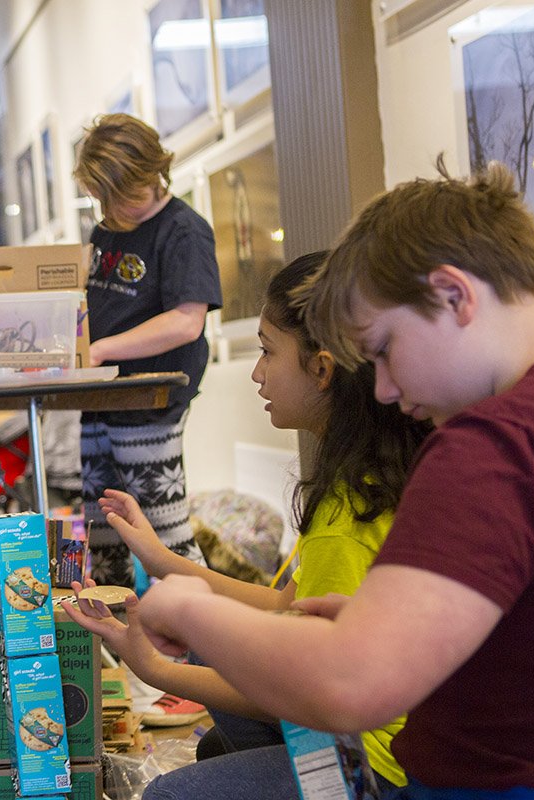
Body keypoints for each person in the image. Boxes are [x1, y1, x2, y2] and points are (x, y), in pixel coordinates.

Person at [133, 162, 534, 796]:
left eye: (385, 348)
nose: (386, 389)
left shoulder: (499, 444)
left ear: (453, 295)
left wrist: (189, 610)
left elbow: (348, 689)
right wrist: (392, 623)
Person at [67, 252, 431, 797]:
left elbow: (314, 691)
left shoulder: (347, 513)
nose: (258, 372)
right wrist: (162, 561)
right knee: (211, 679)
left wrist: (153, 669)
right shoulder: (362, 474)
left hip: (372, 768)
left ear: (322, 368)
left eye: (267, 351)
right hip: (351, 722)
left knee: (170, 793)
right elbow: (285, 609)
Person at [73, 113, 222, 587]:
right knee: (103, 530)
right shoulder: (107, 231)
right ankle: (121, 643)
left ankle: (208, 645)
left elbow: (186, 320)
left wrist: (100, 349)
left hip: (150, 400)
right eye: (101, 198)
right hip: (102, 399)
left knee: (165, 535)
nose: (109, 207)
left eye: (119, 195)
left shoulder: (183, 230)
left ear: (149, 174)